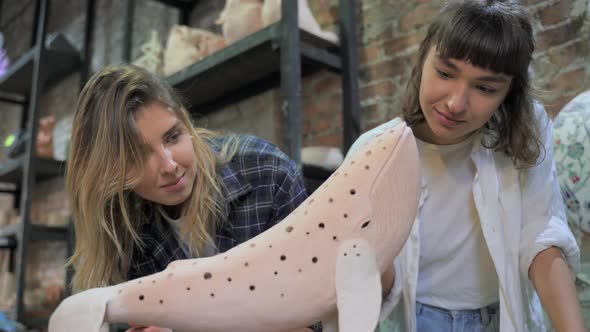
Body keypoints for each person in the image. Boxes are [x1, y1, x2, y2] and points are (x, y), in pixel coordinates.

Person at [351, 0, 585, 331]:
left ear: (508, 93)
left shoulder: (528, 131)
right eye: (445, 73)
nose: (455, 103)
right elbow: (373, 275)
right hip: (414, 318)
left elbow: (541, 235)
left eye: (485, 88)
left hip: (501, 314)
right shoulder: (374, 151)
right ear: (423, 58)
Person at [65, 64, 315, 332]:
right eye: (138, 156)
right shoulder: (126, 225)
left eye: (173, 137)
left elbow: (312, 320)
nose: (169, 165)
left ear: (185, 122)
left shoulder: (267, 174)